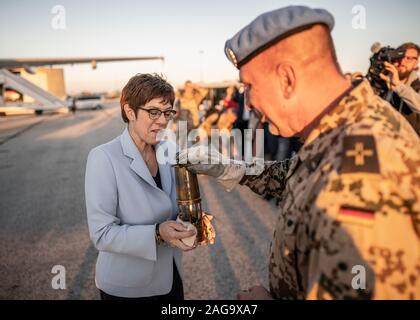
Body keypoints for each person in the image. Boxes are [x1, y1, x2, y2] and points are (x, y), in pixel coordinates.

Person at [178, 6, 420, 299]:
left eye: (250, 86)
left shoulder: (362, 179)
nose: (249, 103)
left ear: (286, 79)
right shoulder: (344, 130)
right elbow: (291, 176)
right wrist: (219, 165)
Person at [85, 73, 196, 300]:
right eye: (154, 112)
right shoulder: (103, 157)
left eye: (167, 113)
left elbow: (177, 207)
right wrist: (157, 233)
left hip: (170, 278)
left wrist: (191, 223)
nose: (163, 121)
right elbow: (102, 234)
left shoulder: (170, 149)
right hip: (127, 287)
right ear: (129, 111)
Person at [379, 42, 420, 135]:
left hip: (411, 146)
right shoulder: (383, 84)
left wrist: (398, 86)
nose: (403, 61)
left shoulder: (417, 85)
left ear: (416, 62)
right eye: (401, 57)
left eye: (409, 58)